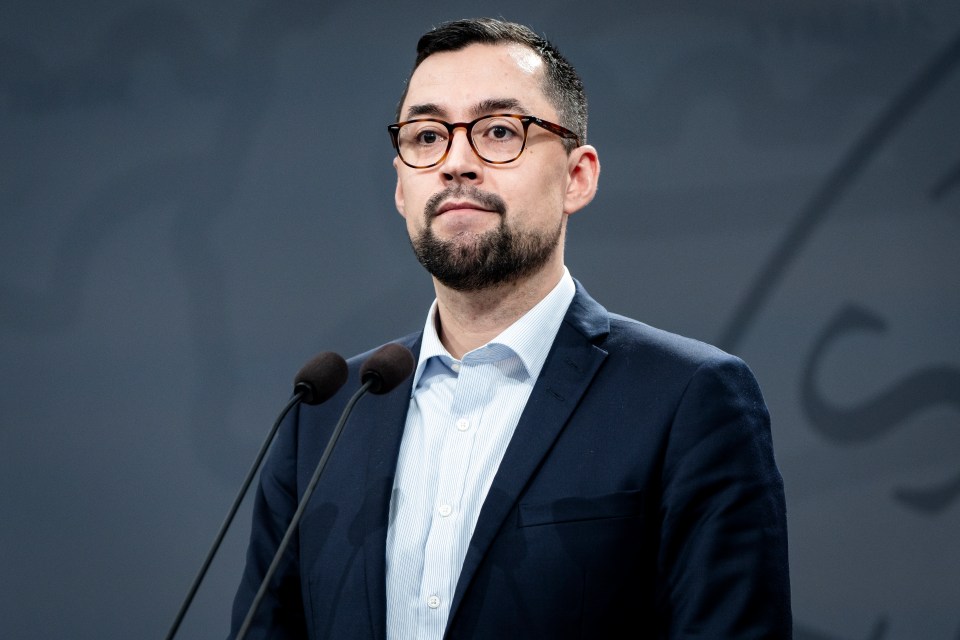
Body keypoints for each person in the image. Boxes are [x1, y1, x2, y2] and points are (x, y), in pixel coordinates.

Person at [231, 17, 792, 639]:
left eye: (500, 131)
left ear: (577, 176)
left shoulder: (688, 399)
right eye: (426, 137)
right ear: (400, 186)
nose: (456, 164)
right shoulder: (324, 414)